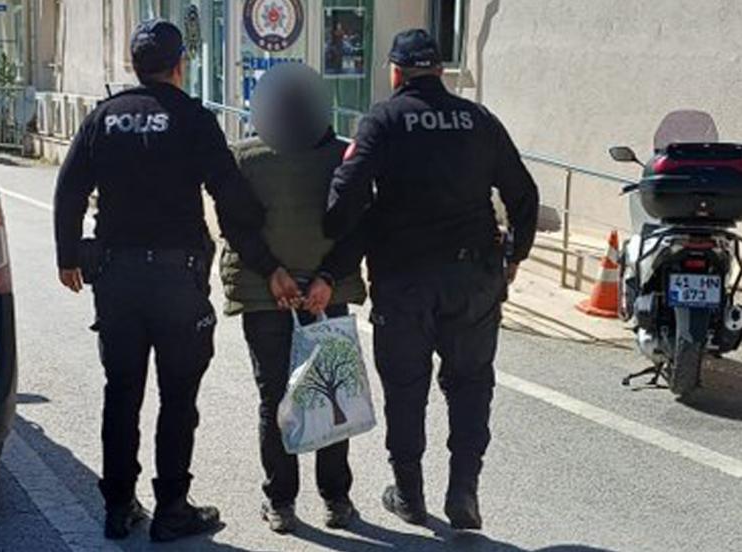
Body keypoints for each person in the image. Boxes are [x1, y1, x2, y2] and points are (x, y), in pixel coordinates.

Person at [54, 19, 295, 543]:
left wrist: (67, 255)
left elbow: (69, 189)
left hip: (116, 277)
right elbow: (230, 196)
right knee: (178, 397)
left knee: (122, 393)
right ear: (180, 65)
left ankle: (118, 507)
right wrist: (268, 256)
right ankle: (171, 509)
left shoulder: (103, 117)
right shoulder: (193, 118)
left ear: (135, 66)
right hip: (176, 280)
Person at [324, 29, 540, 531]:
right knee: (470, 385)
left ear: (396, 72)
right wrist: (514, 256)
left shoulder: (383, 120)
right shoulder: (479, 119)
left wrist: (342, 231)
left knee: (405, 387)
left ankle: (409, 492)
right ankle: (464, 489)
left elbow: (344, 197)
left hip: (404, 280)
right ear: (440, 71)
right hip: (472, 278)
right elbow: (524, 194)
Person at [220, 63, 367, 534]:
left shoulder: (243, 158)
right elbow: (359, 226)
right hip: (327, 294)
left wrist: (272, 272)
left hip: (265, 295)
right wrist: (327, 277)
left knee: (275, 398)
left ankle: (280, 501)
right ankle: (336, 499)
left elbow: (235, 226)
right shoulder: (344, 156)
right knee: (331, 391)